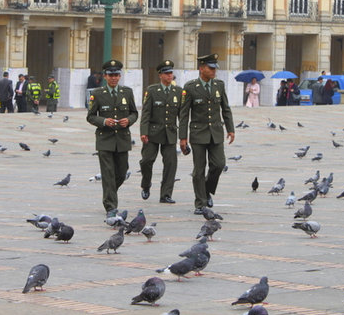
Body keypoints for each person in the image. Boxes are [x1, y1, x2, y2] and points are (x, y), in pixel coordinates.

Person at [179, 53, 235, 214]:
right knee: (199, 170)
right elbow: (184, 114)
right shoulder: (190, 87)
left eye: (215, 68)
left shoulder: (219, 85)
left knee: (219, 164)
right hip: (198, 133)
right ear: (201, 68)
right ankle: (200, 203)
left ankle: (207, 189)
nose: (214, 71)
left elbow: (226, 108)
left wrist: (230, 128)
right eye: (211, 68)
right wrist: (183, 138)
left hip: (216, 132)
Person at [87, 60, 138, 214]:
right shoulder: (97, 94)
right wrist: (104, 121)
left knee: (122, 172)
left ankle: (109, 193)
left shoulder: (127, 92)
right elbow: (90, 116)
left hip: (122, 139)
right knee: (108, 173)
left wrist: (128, 120)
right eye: (111, 75)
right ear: (105, 76)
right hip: (105, 140)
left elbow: (134, 113)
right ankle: (111, 206)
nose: (114, 78)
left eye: (116, 75)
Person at [139, 60, 182, 204]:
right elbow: (146, 113)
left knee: (170, 164)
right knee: (146, 161)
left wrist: (183, 136)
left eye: (171, 73)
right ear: (160, 75)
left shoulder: (178, 91)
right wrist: (143, 132)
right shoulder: (152, 90)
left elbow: (182, 115)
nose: (169, 75)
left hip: (170, 133)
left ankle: (166, 194)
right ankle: (146, 184)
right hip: (153, 132)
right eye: (166, 73)